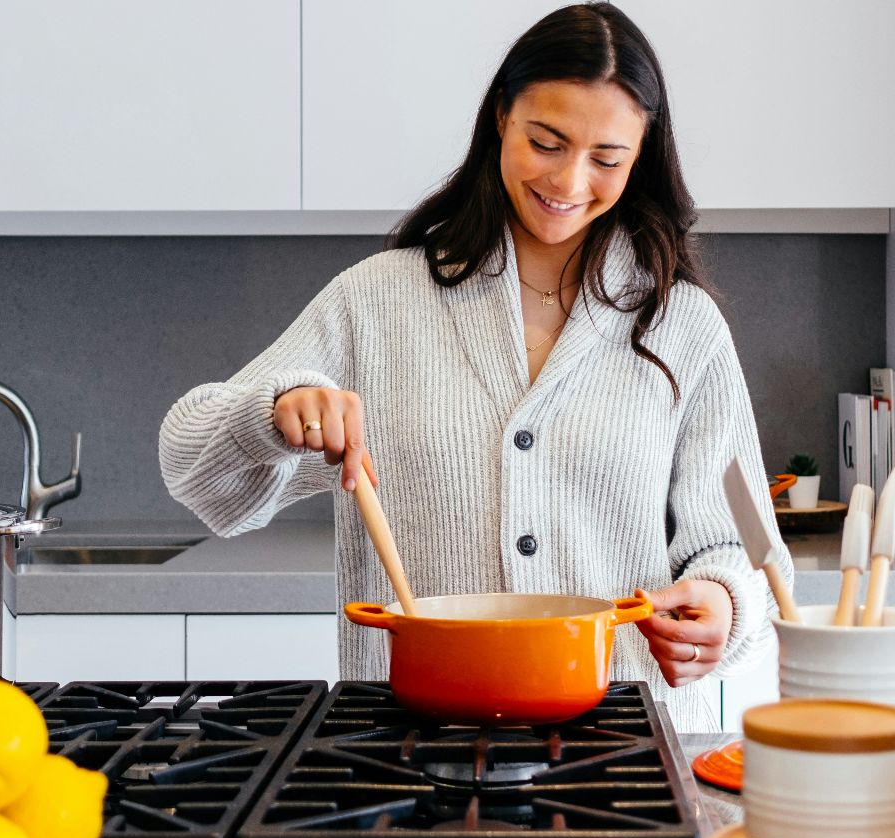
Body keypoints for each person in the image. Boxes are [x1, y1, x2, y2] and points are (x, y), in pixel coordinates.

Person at [159, 2, 791, 731]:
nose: (570, 180)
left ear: (642, 155)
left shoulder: (682, 324)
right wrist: (273, 413)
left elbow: (743, 550)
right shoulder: (380, 301)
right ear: (501, 117)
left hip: (617, 752)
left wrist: (720, 603)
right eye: (546, 142)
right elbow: (193, 469)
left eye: (606, 158)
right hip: (405, 749)